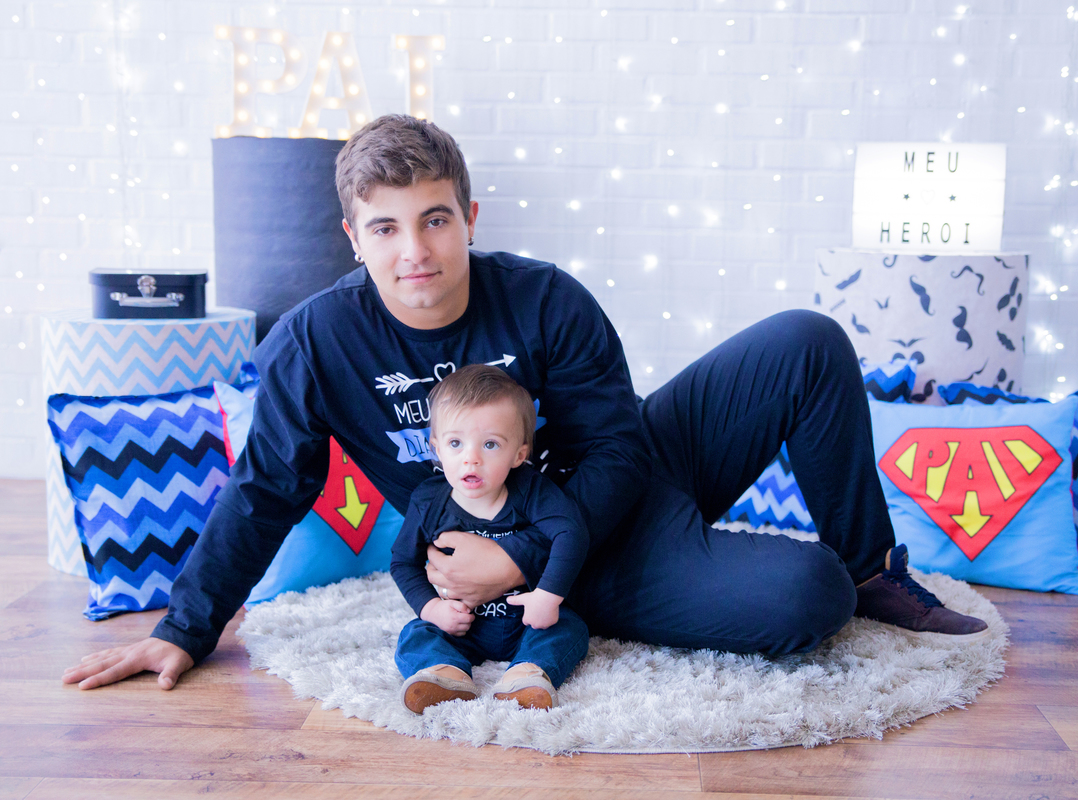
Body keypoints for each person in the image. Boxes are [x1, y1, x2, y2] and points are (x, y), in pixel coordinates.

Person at [63, 114, 984, 693]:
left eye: (435, 219)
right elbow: (267, 487)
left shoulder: (544, 297)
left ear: (469, 218)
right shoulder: (318, 341)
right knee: (804, 594)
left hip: (611, 495)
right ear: (353, 237)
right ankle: (692, 592)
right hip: (569, 560)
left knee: (806, 339)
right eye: (386, 227)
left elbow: (620, 449)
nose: (414, 250)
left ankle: (873, 570)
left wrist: (523, 558)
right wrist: (186, 628)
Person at [392, 364, 590, 712]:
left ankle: (529, 674)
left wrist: (547, 596)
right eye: (455, 443)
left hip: (527, 620)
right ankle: (443, 673)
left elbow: (570, 533)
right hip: (462, 625)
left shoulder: (531, 490)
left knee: (570, 627)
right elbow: (402, 562)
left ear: (519, 454)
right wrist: (433, 608)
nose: (471, 458)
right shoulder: (428, 501)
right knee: (416, 633)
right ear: (436, 448)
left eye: (490, 444)